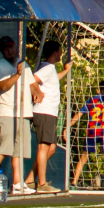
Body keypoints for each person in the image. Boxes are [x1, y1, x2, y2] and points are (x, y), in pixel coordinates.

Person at [0, 36, 34, 195]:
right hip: (7, 111)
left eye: (11, 47)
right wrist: (16, 75)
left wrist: (37, 92)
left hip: (22, 112)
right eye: (6, 48)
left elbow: (31, 82)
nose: (9, 50)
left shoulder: (23, 64)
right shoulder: (0, 66)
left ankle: (17, 182)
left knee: (19, 150)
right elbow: (3, 85)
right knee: (4, 148)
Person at [30, 40, 68, 193]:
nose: (61, 54)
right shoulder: (47, 67)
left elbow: (51, 79)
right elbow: (33, 79)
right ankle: (42, 183)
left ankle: (30, 179)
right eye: (60, 51)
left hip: (50, 112)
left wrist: (66, 70)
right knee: (43, 147)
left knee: (51, 148)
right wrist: (36, 92)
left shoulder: (50, 69)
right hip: (44, 111)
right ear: (54, 53)